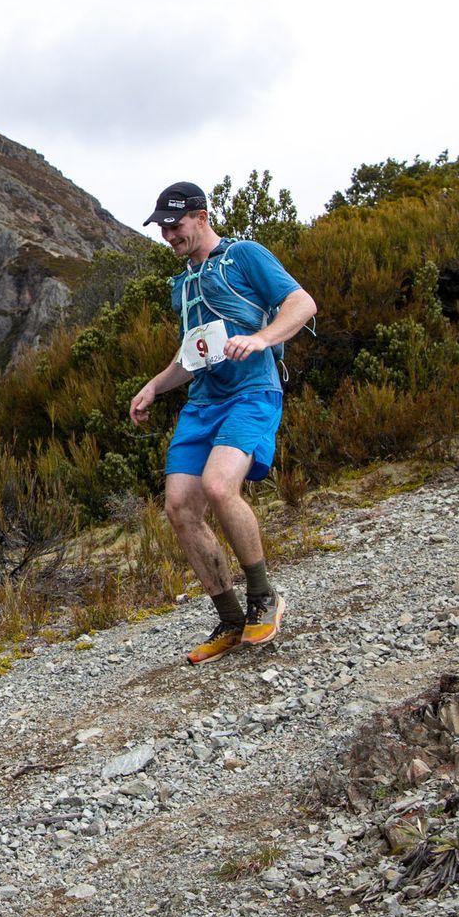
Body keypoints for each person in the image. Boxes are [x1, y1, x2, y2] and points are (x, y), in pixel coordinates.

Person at [128, 181, 317, 664]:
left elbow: (302, 304)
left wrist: (261, 338)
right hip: (203, 401)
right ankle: (231, 620)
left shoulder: (245, 255)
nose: (168, 235)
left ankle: (264, 598)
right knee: (179, 508)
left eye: (175, 225)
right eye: (162, 228)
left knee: (218, 486)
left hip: (252, 392)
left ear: (201, 216)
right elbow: (192, 354)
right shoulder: (182, 283)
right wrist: (155, 384)